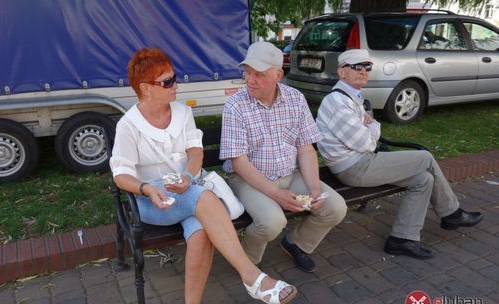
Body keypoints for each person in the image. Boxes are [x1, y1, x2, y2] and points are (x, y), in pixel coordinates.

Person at [110, 48, 298, 304]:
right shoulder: (129, 125)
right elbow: (121, 176)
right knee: (203, 196)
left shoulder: (182, 113)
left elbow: (196, 153)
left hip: (187, 191)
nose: (176, 85)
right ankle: (252, 277)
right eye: (168, 82)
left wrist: (187, 175)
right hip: (152, 201)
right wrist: (147, 189)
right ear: (145, 88)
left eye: (175, 77)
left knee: (201, 234)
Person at [315, 49, 483, 260]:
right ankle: (452, 213)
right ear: (341, 72)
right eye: (357, 67)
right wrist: (372, 126)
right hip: (354, 168)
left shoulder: (352, 98)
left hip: (360, 162)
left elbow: (368, 133)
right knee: (425, 157)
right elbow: (365, 143)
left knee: (424, 179)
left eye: (367, 67)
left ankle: (402, 239)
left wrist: (369, 125)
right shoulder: (337, 102)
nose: (363, 71)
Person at [220, 41, 347, 273]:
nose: (250, 80)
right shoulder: (235, 105)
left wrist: (314, 187)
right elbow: (239, 162)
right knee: (272, 222)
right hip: (248, 179)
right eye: (247, 72)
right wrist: (276, 194)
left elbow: (305, 148)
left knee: (335, 207)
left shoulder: (295, 99)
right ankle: (246, 259)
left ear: (278, 74)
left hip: (290, 174)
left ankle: (296, 243)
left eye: (258, 74)